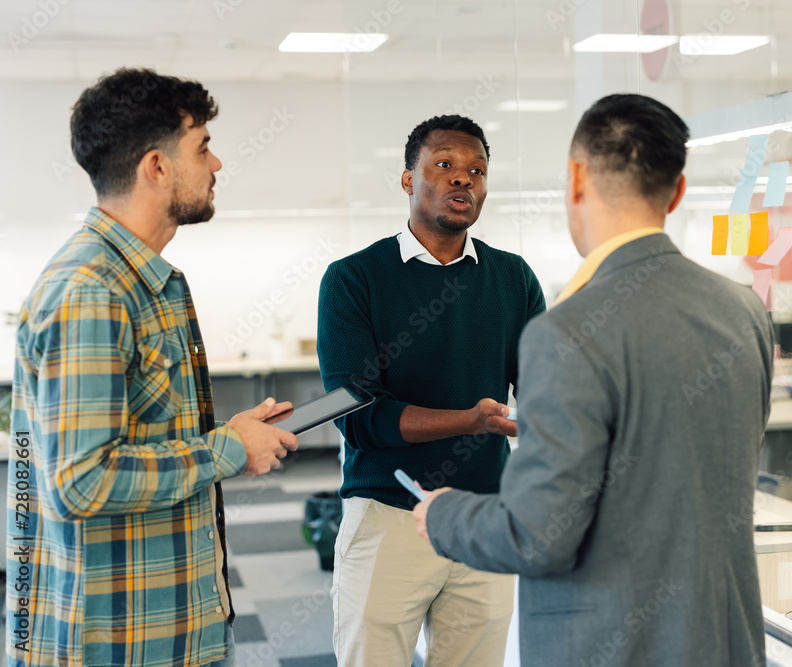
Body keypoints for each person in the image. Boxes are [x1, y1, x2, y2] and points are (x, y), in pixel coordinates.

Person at [412, 94, 774, 666]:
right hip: (722, 640)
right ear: (676, 193)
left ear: (576, 178)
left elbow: (539, 534)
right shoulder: (743, 309)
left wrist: (443, 514)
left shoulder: (568, 330)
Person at [5, 67, 298, 667]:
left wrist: (234, 436)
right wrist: (226, 450)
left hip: (167, 627)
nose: (216, 166)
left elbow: (139, 439)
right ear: (156, 167)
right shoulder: (93, 289)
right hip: (117, 644)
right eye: (203, 147)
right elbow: (80, 480)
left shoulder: (146, 281)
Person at [316, 114, 545, 666]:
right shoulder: (353, 279)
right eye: (444, 165)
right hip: (387, 515)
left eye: (476, 171)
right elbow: (357, 415)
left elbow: (544, 386)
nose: (462, 180)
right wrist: (472, 420)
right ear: (407, 179)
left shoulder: (513, 278)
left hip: (483, 517)